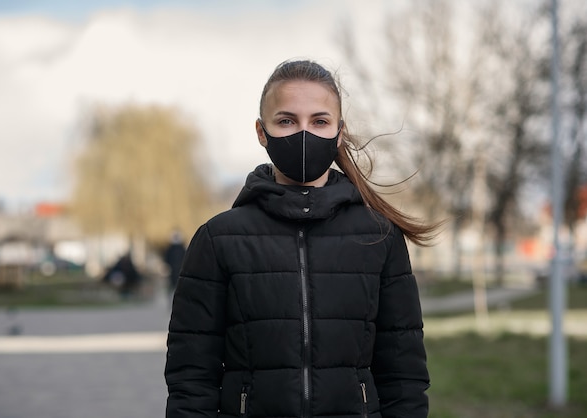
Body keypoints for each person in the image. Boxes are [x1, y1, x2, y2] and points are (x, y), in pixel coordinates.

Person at [164, 59, 440, 418]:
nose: (304, 133)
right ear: (262, 132)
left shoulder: (379, 237)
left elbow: (404, 376)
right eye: (286, 121)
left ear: (339, 132)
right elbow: (191, 377)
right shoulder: (218, 239)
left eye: (319, 121)